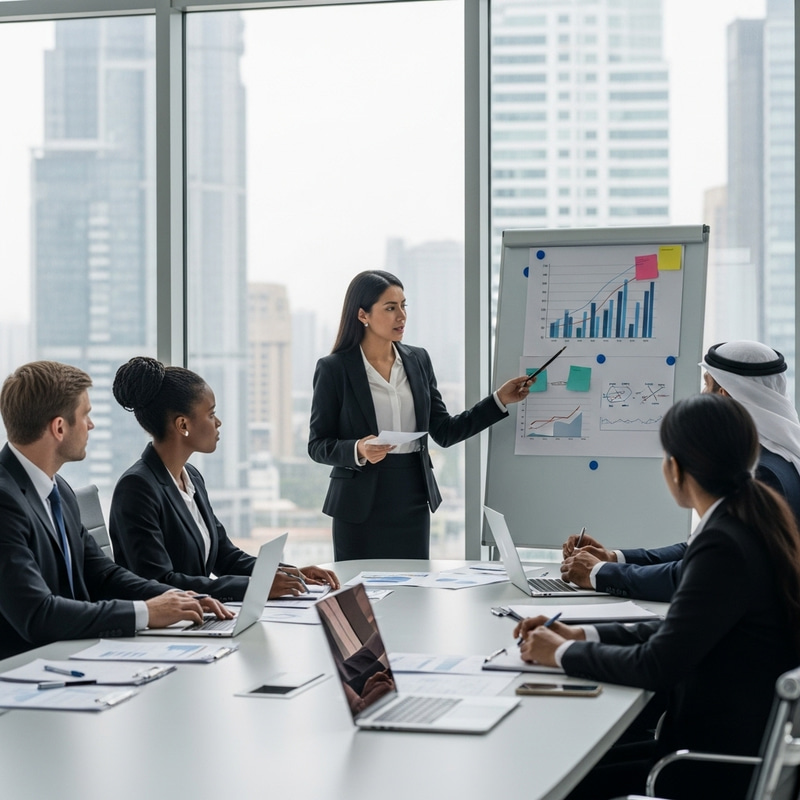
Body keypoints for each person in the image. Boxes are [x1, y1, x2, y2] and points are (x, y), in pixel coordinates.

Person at [515, 393, 800, 800]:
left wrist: (558, 655)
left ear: (676, 468)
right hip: (723, 750)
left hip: (703, 768)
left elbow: (656, 665)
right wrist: (581, 637)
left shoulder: (725, 542)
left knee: (551, 781)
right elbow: (677, 629)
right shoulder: (750, 519)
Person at [0, 361, 232, 660]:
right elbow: (38, 613)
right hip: (21, 674)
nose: (91, 425)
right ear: (59, 428)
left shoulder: (60, 492)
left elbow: (104, 575)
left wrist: (177, 599)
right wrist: (145, 612)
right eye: (86, 415)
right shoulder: (5, 502)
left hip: (72, 656)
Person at [308, 270, 534, 560]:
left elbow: (445, 431)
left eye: (404, 306)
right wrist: (359, 448)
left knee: (412, 590)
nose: (401, 316)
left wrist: (499, 400)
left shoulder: (418, 360)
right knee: (360, 595)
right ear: (363, 314)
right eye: (390, 308)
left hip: (411, 494)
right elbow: (317, 444)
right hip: (358, 504)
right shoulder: (334, 369)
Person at [561, 340, 800, 601]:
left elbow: (702, 573)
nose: (701, 395)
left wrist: (600, 574)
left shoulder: (762, 474)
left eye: (706, 385)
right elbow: (703, 548)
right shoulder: (778, 458)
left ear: (723, 396)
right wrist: (614, 558)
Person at [109, 356, 339, 602]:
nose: (218, 423)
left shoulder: (191, 477)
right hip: (164, 625)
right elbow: (160, 582)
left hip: (199, 615)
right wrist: (254, 587)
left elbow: (225, 557)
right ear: (183, 424)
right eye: (210, 414)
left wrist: (287, 573)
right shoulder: (137, 487)